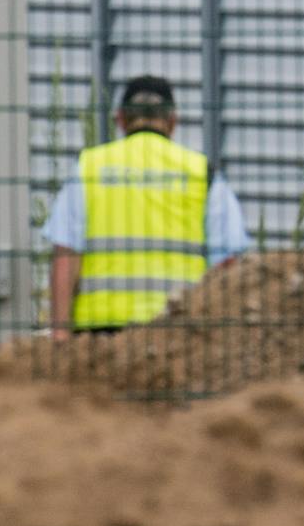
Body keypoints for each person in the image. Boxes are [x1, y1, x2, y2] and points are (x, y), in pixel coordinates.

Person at [43, 75, 251, 338]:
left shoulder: (89, 169)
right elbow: (226, 265)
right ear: (173, 121)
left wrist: (60, 335)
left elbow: (65, 254)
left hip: (99, 337)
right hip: (180, 335)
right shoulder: (202, 175)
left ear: (120, 119)